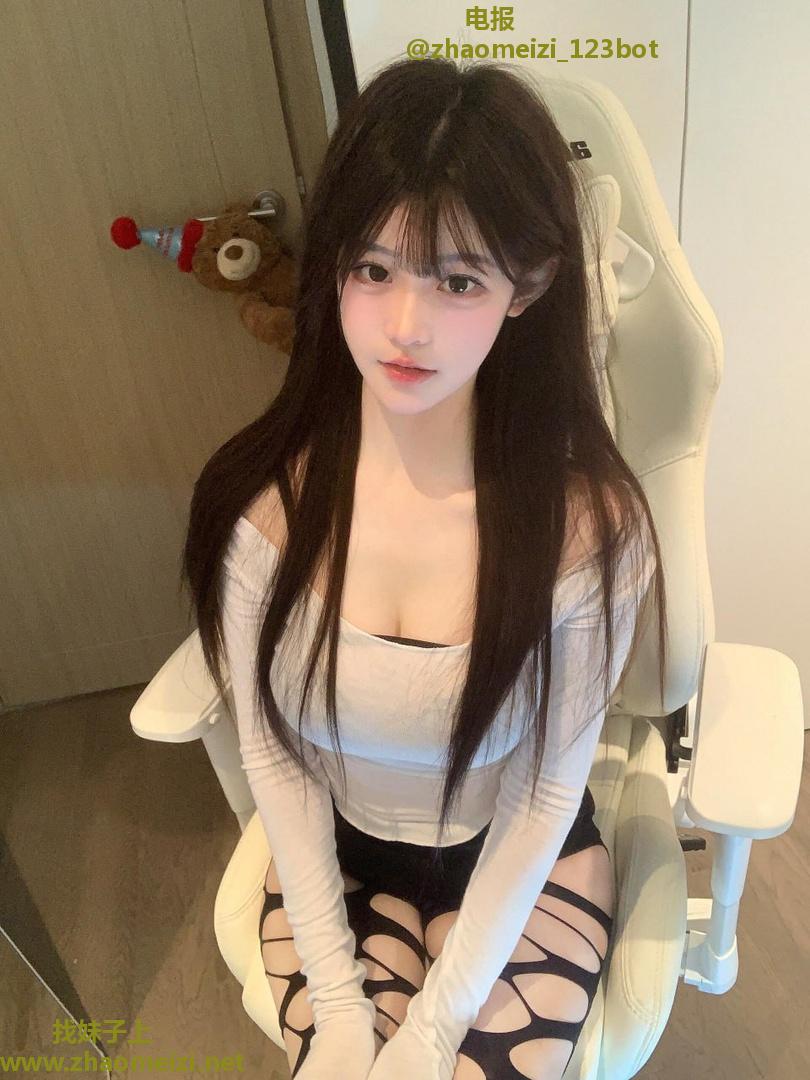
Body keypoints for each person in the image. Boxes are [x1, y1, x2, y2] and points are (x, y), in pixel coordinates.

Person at [181, 56, 667, 1080]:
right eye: (372, 269)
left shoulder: (589, 532)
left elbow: (543, 797)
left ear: (528, 286)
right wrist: (340, 1007)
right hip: (341, 862)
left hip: (523, 869)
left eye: (457, 280)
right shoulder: (262, 509)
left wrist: (436, 1030)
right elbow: (273, 757)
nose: (406, 326)